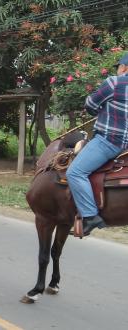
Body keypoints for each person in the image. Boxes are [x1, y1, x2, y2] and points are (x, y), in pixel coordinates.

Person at [67, 52, 128, 236]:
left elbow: (91, 105)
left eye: (118, 67)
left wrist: (100, 108)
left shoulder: (114, 83)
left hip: (109, 141)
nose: (117, 70)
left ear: (124, 67)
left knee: (75, 172)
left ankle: (90, 216)